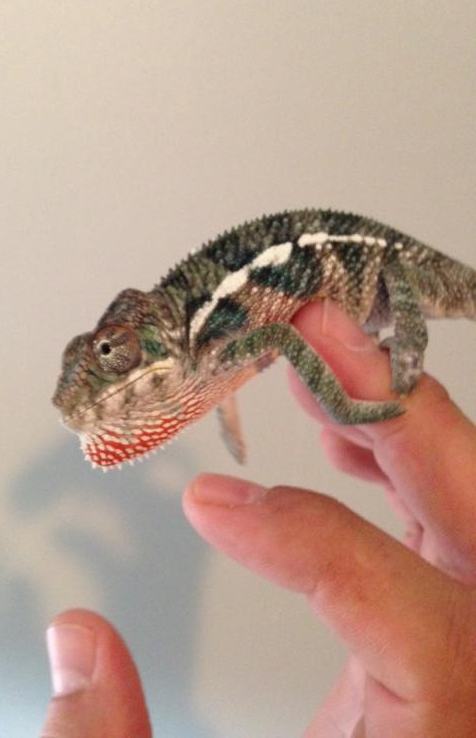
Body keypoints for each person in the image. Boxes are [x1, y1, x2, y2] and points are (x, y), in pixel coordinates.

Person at [40, 302, 476, 738]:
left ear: (161, 337)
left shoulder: (199, 338)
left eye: (113, 352)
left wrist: (342, 402)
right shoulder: (203, 347)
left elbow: (280, 335)